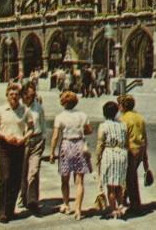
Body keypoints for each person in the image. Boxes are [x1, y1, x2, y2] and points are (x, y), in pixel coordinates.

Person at [0, 83, 32, 224]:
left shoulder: (25, 110)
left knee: (16, 179)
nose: (14, 96)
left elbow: (31, 128)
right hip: (4, 147)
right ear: (7, 95)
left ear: (20, 96)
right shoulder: (0, 110)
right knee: (5, 177)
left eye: (16, 94)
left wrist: (24, 138)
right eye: (11, 94)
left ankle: (10, 209)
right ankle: (3, 212)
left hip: (19, 146)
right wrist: (4, 136)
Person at [48, 90, 91, 220]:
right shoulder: (82, 115)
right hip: (79, 145)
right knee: (79, 181)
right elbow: (89, 130)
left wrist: (51, 152)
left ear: (63, 103)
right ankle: (78, 209)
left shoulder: (60, 116)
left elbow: (55, 136)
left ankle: (66, 204)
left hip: (66, 146)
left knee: (65, 179)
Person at [96, 101, 129, 218]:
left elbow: (100, 143)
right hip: (122, 154)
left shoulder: (103, 126)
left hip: (109, 154)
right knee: (119, 183)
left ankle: (113, 209)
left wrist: (97, 157)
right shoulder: (123, 125)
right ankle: (121, 206)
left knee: (110, 185)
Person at [118, 94, 149, 214]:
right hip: (140, 149)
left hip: (130, 150)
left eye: (120, 105)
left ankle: (134, 204)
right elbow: (145, 137)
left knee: (129, 179)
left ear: (123, 106)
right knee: (130, 176)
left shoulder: (123, 119)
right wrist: (145, 158)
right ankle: (127, 200)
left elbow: (123, 138)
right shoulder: (139, 117)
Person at [18, 82, 46, 215]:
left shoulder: (38, 108)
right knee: (22, 171)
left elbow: (43, 124)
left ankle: (33, 200)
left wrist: (43, 139)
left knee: (33, 172)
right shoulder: (18, 107)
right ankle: (23, 197)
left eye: (33, 94)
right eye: (29, 95)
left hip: (37, 140)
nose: (31, 97)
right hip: (22, 141)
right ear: (23, 94)